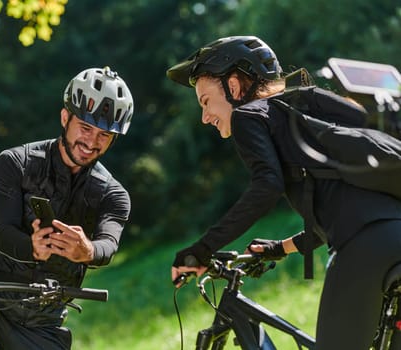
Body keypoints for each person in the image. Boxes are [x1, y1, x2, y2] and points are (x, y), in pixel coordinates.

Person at [167, 35, 401, 349]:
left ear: (234, 86)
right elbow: (342, 205)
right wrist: (282, 247)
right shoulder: (309, 102)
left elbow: (267, 185)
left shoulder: (248, 116)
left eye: (206, 101)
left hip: (364, 246)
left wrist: (201, 249)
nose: (205, 116)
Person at [0, 66, 134, 350]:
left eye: (104, 135)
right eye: (85, 127)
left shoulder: (113, 194)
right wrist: (32, 248)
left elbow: (108, 243)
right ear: (64, 117)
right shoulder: (14, 163)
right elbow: (4, 233)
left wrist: (88, 251)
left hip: (41, 316)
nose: (91, 142)